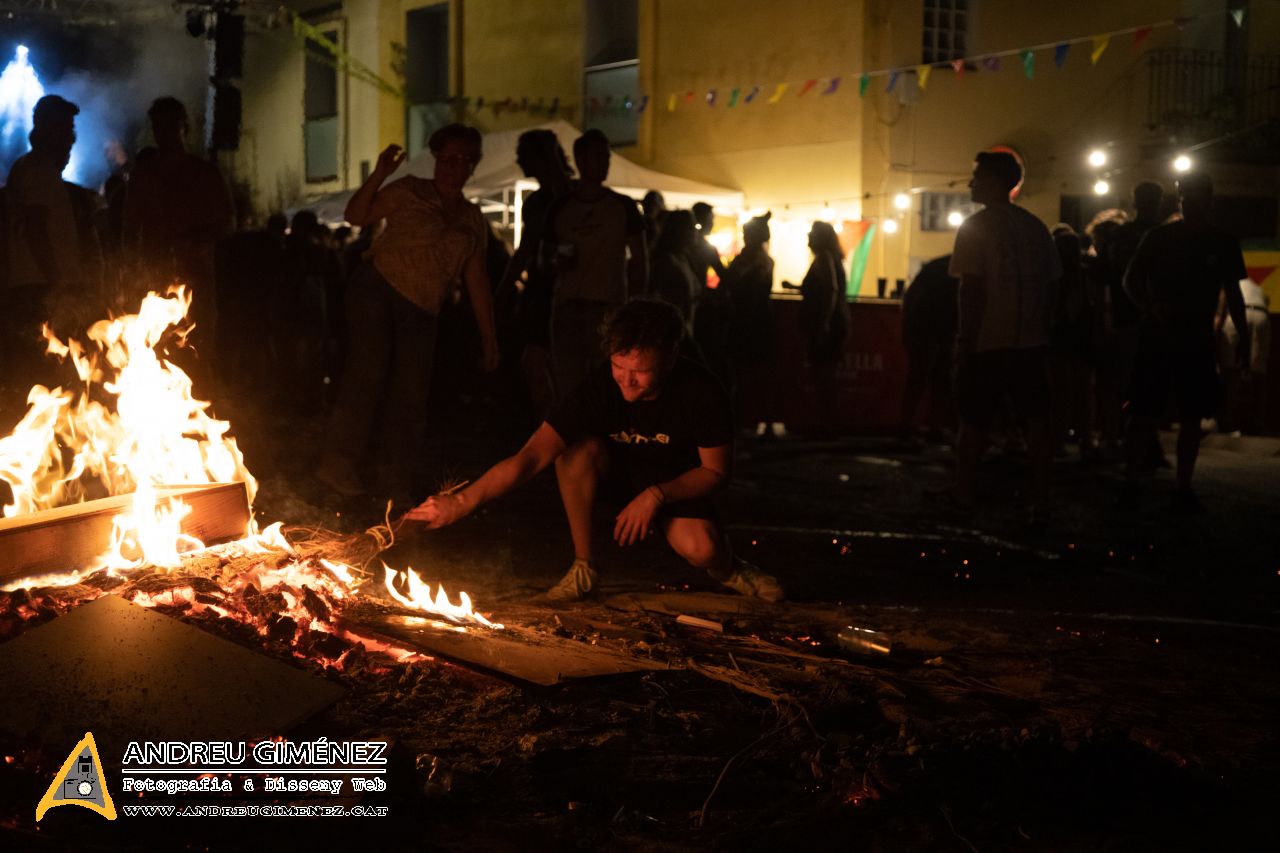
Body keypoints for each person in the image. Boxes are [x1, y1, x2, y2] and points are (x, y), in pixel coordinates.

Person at [405, 298, 783, 603]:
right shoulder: (601, 385)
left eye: (640, 371)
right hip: (617, 477)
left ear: (669, 356)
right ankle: (584, 568)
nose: (626, 380)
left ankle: (732, 570)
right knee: (573, 451)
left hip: (677, 485)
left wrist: (656, 495)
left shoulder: (702, 391)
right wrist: (461, 502)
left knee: (701, 548)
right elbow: (531, 457)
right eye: (619, 366)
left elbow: (716, 473)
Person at [316, 124, 499, 505]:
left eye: (465, 160)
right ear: (437, 158)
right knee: (367, 376)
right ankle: (338, 466)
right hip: (377, 290)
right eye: (449, 158)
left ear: (473, 166)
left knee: (411, 395)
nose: (455, 167)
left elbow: (477, 279)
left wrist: (489, 338)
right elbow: (355, 215)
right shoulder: (411, 190)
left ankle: (393, 482)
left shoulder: (471, 218)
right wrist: (381, 173)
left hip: (423, 307)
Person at [941, 150, 1061, 514]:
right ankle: (1041, 496)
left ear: (993, 183)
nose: (971, 183)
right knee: (1036, 420)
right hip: (1032, 342)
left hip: (989, 340)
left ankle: (964, 490)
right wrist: (1043, 328)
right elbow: (1053, 285)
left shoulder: (976, 227)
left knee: (974, 419)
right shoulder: (1036, 227)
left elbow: (971, 289)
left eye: (977, 177)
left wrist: (964, 339)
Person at [1122, 172, 1248, 512]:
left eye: (1193, 196)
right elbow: (1131, 280)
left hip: (1184, 335)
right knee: (1150, 410)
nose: (1189, 202)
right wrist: (1150, 307)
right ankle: (1151, 483)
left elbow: (1234, 294)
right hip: (1170, 334)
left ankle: (1170, 485)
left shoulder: (1211, 240)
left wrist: (1243, 336)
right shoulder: (1169, 237)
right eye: (1186, 196)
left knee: (1177, 413)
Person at [121, 97, 233, 393]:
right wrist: (129, 268)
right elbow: (130, 226)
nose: (164, 133)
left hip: (196, 277)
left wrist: (193, 240)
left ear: (184, 127)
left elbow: (225, 221)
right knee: (154, 348)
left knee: (198, 347)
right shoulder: (144, 175)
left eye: (171, 126)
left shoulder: (203, 173)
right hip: (154, 278)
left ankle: (202, 406)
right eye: (158, 126)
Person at [3, 94, 100, 391]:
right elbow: (35, 230)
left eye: (72, 129)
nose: (71, 138)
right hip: (42, 289)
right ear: (47, 130)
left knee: (51, 378)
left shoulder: (35, 169)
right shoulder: (37, 171)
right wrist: (58, 284)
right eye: (66, 128)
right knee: (48, 378)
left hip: (42, 287)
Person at [546, 129, 647, 401]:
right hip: (567, 308)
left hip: (609, 309)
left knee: (610, 384)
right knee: (570, 387)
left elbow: (640, 260)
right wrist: (556, 263)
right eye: (598, 156)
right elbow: (544, 257)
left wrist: (633, 308)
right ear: (580, 160)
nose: (605, 162)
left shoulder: (623, 206)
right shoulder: (562, 208)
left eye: (606, 156)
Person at [496, 130, 574, 420]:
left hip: (564, 290)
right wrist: (504, 290)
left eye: (523, 155)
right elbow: (526, 249)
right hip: (543, 291)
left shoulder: (571, 197)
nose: (519, 161)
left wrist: (504, 290)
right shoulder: (537, 202)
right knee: (538, 359)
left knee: (551, 361)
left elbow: (526, 250)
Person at [785, 221, 848, 435]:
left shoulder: (824, 258)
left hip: (826, 325)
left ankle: (828, 425)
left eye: (812, 233)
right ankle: (829, 423)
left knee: (824, 376)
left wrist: (824, 322)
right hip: (831, 323)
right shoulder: (830, 258)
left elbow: (830, 289)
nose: (808, 236)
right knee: (826, 375)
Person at [722, 213, 778, 436]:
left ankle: (743, 421)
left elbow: (730, 283)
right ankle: (764, 421)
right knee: (761, 375)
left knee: (742, 376)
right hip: (761, 320)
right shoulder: (765, 260)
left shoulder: (748, 261)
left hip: (745, 321)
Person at [898, 254, 958, 444]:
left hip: (923, 328)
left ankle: (908, 426)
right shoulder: (959, 270)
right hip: (932, 329)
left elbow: (911, 296)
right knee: (936, 379)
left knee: (920, 379)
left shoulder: (938, 266)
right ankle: (930, 426)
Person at [1217, 277, 1270, 435]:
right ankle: (1259, 422)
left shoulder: (1226, 281)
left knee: (1231, 371)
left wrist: (1217, 325)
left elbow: (1222, 303)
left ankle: (1229, 422)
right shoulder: (1255, 287)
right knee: (1258, 373)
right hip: (1262, 315)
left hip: (1237, 314)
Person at [648, 209, 700, 337]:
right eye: (690, 228)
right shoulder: (666, 262)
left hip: (685, 330)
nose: (695, 232)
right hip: (670, 332)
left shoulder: (685, 258)